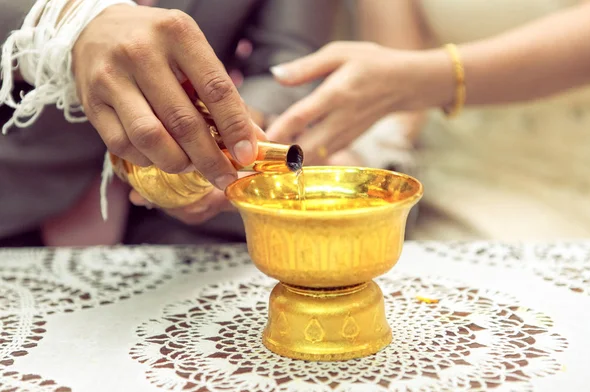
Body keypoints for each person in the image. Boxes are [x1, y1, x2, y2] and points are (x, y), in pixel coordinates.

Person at [0, 0, 337, 246]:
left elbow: (290, 58)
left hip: (187, 228)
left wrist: (246, 119)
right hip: (15, 197)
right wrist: (70, 23)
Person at [268, 0, 590, 239]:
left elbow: (409, 80)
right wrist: (359, 156)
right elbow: (398, 89)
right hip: (453, 181)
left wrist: (428, 79)